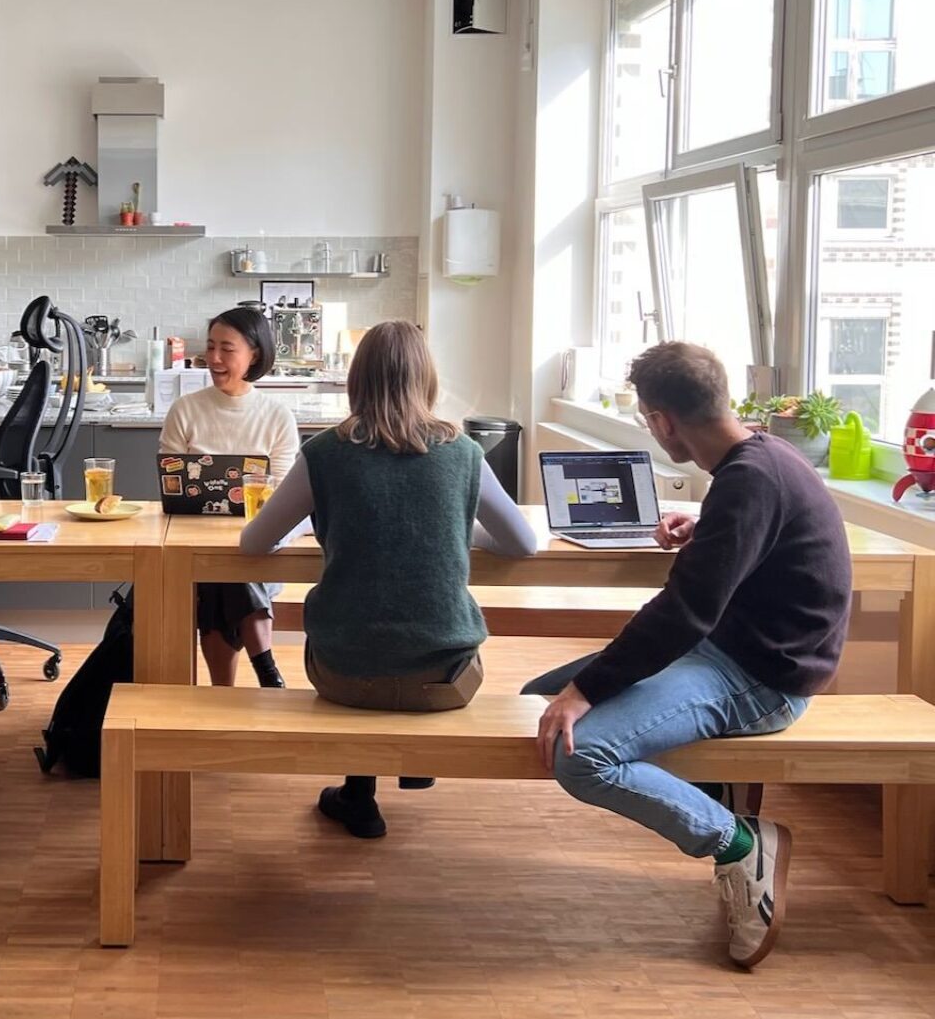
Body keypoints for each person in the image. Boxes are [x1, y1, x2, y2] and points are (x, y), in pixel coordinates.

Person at [527, 342, 851, 969]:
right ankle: (717, 793)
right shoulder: (760, 459)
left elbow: (683, 614)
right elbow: (756, 540)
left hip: (764, 677)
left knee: (580, 752)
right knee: (539, 698)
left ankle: (737, 844)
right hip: (736, 649)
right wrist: (706, 531)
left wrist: (586, 691)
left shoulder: (749, 479)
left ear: (661, 421)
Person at [242, 319, 538, 837]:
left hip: (343, 673)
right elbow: (522, 543)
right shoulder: (464, 452)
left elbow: (254, 544)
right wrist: (459, 527)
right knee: (410, 645)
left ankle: (360, 795)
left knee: (365, 635)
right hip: (447, 680)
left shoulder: (327, 453)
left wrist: (311, 526)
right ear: (427, 377)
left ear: (358, 379)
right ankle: (411, 756)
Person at [159, 307, 302, 688]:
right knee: (219, 568)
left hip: (257, 545)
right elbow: (170, 484)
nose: (215, 359)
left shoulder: (276, 416)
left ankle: (223, 693)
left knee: (225, 568)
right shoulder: (185, 410)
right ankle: (266, 670)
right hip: (195, 541)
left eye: (227, 348)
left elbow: (283, 493)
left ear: (254, 354)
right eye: (210, 348)